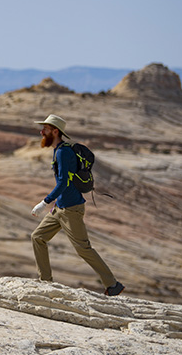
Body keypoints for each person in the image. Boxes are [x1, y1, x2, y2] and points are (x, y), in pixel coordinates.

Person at [30, 114, 124, 296]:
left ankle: (113, 285)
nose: (41, 132)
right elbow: (66, 182)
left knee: (83, 249)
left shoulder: (63, 152)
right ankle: (45, 282)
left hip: (71, 209)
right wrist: (56, 203)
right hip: (60, 208)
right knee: (38, 237)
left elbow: (64, 182)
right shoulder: (58, 149)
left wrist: (44, 202)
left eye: (45, 129)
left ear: (55, 131)